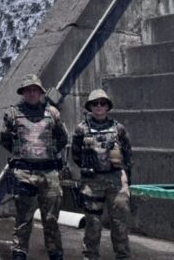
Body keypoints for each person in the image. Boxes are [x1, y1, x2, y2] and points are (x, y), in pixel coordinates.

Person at [0, 74, 68, 260]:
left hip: (49, 174)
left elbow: (63, 138)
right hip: (24, 174)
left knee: (51, 220)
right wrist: (23, 156)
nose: (31, 93)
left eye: (35, 89)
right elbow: (5, 139)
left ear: (40, 92)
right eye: (28, 90)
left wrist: (48, 154)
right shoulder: (13, 114)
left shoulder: (52, 113)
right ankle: (20, 253)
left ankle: (55, 253)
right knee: (23, 220)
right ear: (23, 92)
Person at [71, 89, 132, 260]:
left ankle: (123, 256)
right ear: (90, 106)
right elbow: (76, 155)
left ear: (108, 106)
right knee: (93, 224)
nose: (99, 106)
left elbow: (128, 155)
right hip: (92, 182)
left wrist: (125, 178)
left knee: (119, 223)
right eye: (95, 103)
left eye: (102, 103)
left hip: (115, 180)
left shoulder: (118, 128)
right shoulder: (81, 129)